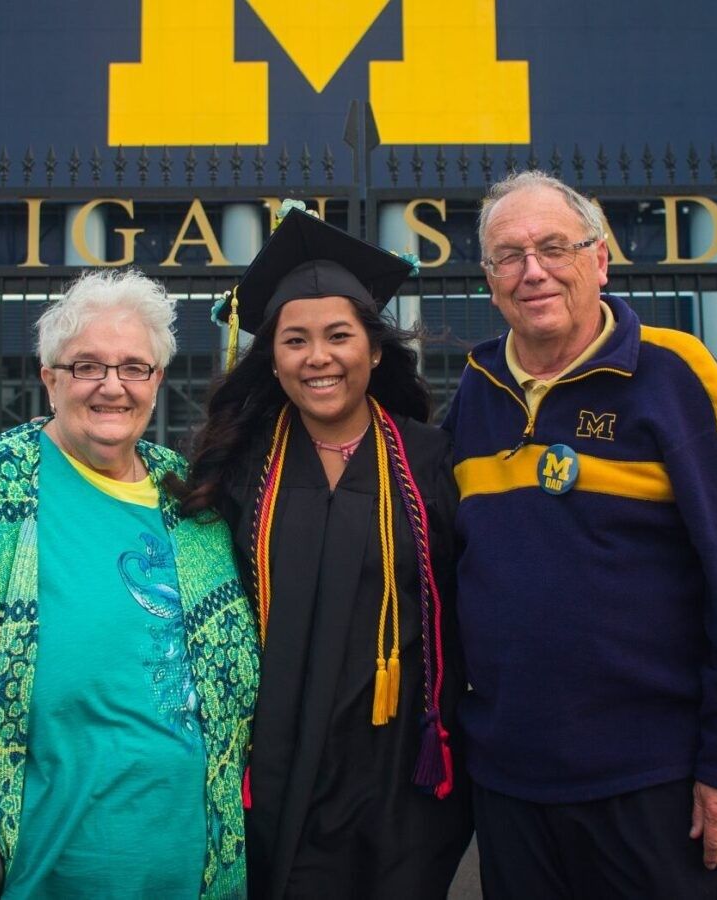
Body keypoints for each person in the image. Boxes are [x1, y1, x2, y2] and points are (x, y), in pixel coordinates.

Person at [0, 269, 260, 899]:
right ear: (49, 377)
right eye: (87, 365)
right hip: (35, 863)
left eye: (134, 367)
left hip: (186, 862)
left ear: (157, 381)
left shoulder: (187, 495)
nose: (112, 386)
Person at [441, 170, 717, 898]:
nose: (532, 270)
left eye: (553, 247)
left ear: (600, 260)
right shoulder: (474, 395)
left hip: (655, 782)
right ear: (489, 279)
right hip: (511, 785)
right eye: (509, 255)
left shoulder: (676, 376)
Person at [171, 206, 472, 899]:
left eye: (339, 336)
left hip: (399, 773)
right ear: (272, 361)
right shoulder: (240, 469)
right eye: (294, 340)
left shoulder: (433, 461)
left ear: (372, 348)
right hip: (275, 764)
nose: (318, 358)